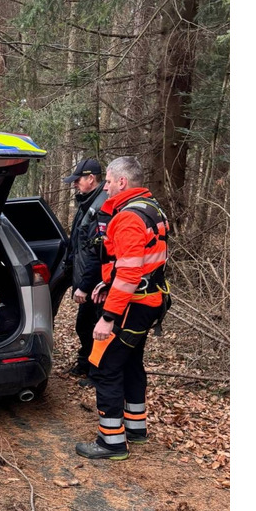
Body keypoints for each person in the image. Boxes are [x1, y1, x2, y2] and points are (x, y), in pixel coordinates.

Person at [75, 157, 170, 460]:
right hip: (150, 301)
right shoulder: (152, 209)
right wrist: (108, 281)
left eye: (109, 181)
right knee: (130, 363)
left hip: (132, 306)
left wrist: (107, 317)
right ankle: (136, 428)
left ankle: (111, 442)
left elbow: (130, 274)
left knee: (104, 366)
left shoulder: (128, 217)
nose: (105, 186)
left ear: (122, 183)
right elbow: (140, 265)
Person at [61, 157, 108, 388]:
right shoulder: (87, 202)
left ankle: (96, 374)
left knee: (98, 329)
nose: (75, 184)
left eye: (78, 180)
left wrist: (85, 285)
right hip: (87, 278)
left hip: (98, 284)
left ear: (91, 178)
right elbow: (78, 244)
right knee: (84, 325)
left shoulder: (102, 206)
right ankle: (84, 363)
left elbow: (97, 253)